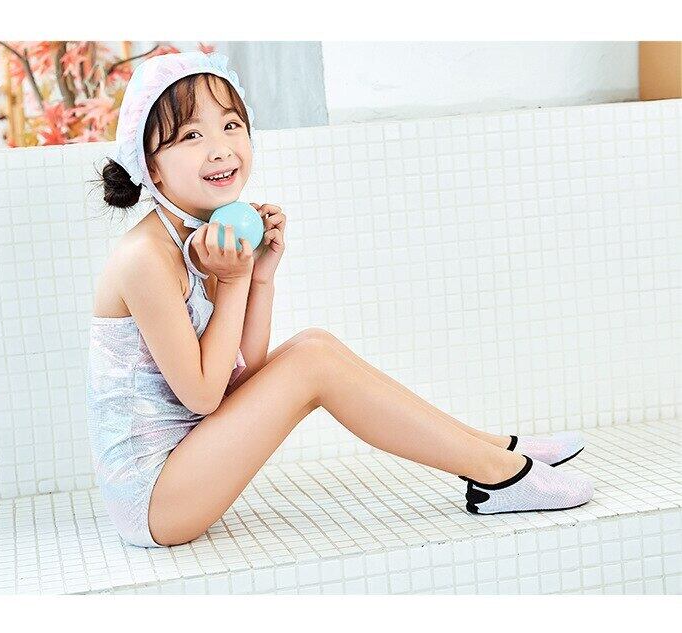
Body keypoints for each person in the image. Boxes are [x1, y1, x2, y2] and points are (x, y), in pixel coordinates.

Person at [86, 51, 593, 549]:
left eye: (231, 125)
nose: (220, 149)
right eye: (192, 136)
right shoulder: (145, 257)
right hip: (154, 500)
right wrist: (235, 282)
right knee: (311, 361)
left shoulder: (204, 235)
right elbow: (204, 396)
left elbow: (242, 377)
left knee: (315, 344)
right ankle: (498, 474)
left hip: (192, 464)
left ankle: (492, 449)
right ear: (150, 166)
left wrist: (259, 279)